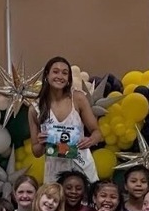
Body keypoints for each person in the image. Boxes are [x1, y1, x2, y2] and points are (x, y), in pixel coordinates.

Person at [28, 55, 100, 183]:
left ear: (68, 79)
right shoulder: (35, 108)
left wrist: (90, 140)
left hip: (81, 165)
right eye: (55, 72)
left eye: (65, 73)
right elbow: (36, 152)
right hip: (54, 171)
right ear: (46, 75)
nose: (60, 76)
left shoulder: (78, 99)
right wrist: (42, 142)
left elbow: (97, 132)